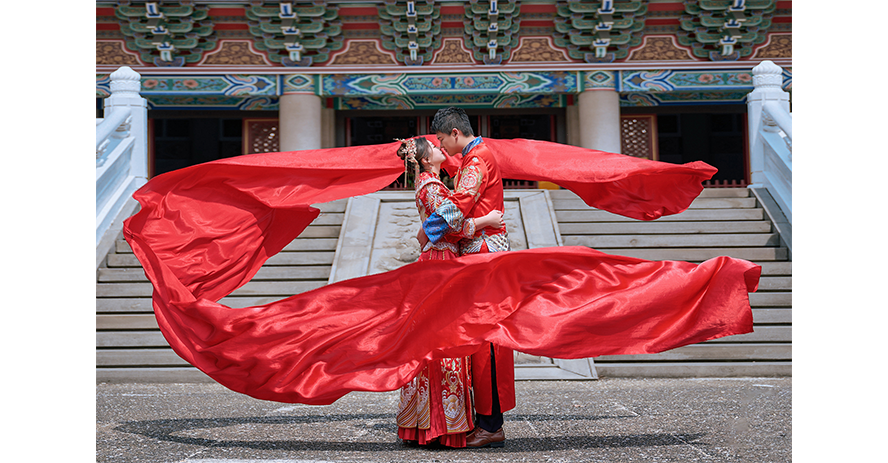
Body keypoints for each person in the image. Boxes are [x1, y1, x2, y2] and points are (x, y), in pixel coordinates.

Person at [395, 136, 505, 448]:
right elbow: (449, 226)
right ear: (426, 159)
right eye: (433, 145)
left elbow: (431, 227)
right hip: (441, 262)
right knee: (445, 341)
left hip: (442, 259)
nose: (439, 146)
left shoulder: (432, 182)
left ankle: (434, 420)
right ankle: (442, 424)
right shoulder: (430, 186)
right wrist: (487, 219)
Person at [417, 107, 514, 449]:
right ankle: (486, 419)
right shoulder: (476, 156)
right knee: (482, 338)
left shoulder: (476, 161)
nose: (441, 146)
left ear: (455, 133)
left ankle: (491, 423)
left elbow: (459, 203)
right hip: (480, 250)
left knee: (485, 339)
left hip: (483, 253)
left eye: (442, 138)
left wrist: (428, 231)